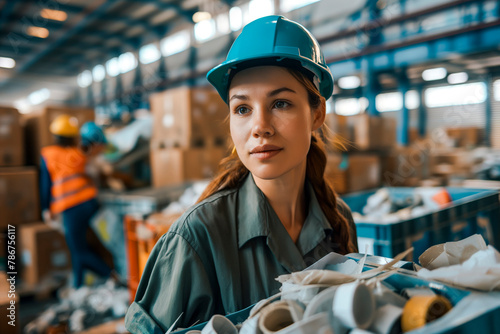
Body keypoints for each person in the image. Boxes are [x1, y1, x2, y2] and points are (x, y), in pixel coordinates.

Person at [125, 15, 358, 333]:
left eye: (280, 103)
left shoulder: (338, 219)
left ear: (317, 113)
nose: (260, 127)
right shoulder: (196, 238)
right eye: (243, 109)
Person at [40, 115, 114, 288]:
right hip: (89, 203)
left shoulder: (48, 154)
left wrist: (45, 208)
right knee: (77, 248)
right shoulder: (77, 153)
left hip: (71, 207)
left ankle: (111, 276)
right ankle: (78, 285)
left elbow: (45, 183)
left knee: (79, 250)